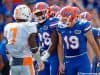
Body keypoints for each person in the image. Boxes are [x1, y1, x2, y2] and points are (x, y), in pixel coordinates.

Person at [57, 6, 100, 75]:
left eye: (64, 19)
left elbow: (93, 43)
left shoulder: (83, 25)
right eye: (62, 19)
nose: (62, 21)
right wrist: (61, 63)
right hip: (68, 60)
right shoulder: (60, 27)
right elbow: (60, 45)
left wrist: (99, 58)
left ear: (71, 18)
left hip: (82, 59)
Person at [4, 4, 44, 75]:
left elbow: (7, 49)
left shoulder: (8, 26)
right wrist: (39, 61)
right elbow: (33, 46)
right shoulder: (29, 26)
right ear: (26, 14)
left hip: (13, 63)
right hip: (26, 62)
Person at [33, 2, 59, 75]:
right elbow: (40, 43)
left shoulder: (52, 21)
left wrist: (46, 55)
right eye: (38, 13)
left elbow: (54, 42)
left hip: (53, 55)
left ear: (47, 11)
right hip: (43, 54)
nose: (40, 16)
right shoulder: (37, 25)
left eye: (42, 13)